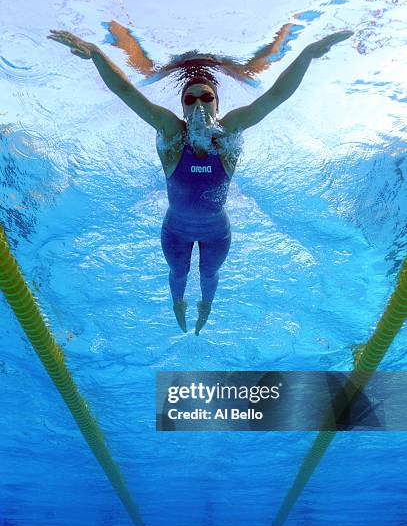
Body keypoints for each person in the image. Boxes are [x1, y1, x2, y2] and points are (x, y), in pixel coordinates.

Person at [48, 28, 353, 334]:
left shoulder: (229, 135)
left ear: (216, 105)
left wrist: (308, 54)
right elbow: (127, 93)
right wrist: (96, 54)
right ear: (182, 106)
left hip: (217, 232)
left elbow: (275, 96)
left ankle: (205, 307)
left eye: (206, 97)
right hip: (175, 230)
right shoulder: (171, 134)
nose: (198, 103)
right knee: (178, 273)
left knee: (209, 275)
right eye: (190, 98)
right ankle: (177, 304)